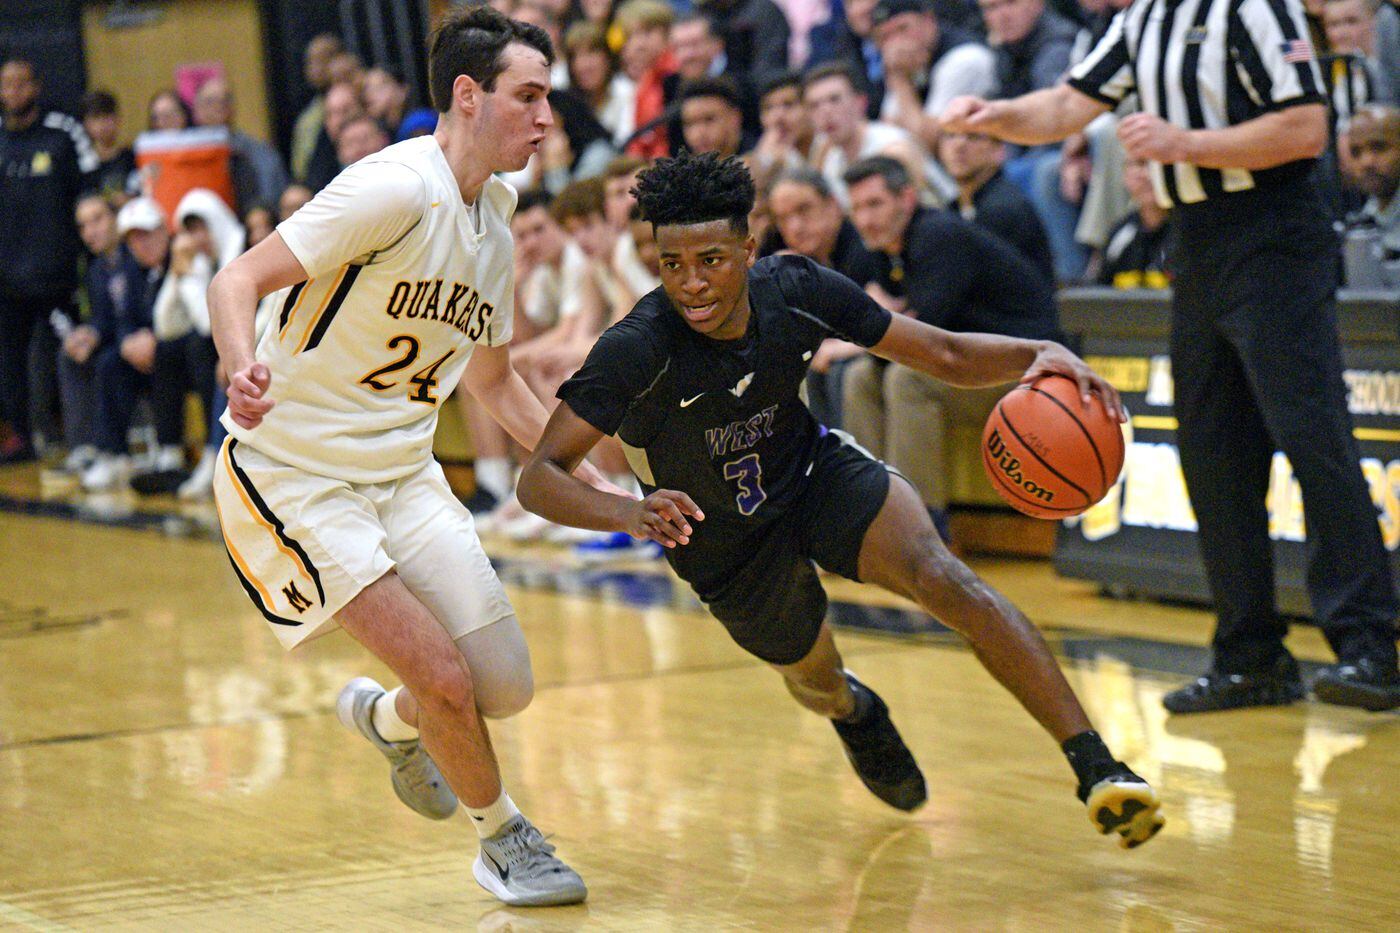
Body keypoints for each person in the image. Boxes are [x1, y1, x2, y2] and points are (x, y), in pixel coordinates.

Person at [515, 150, 1165, 850]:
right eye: (672, 265)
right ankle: (855, 710)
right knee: (815, 680)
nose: (692, 283)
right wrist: (626, 511)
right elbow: (540, 476)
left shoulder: (796, 287)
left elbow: (942, 354)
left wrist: (1034, 354)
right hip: (722, 542)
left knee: (947, 579)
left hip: (811, 473)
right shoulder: (636, 348)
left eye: (711, 260)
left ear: (748, 250)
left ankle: (1098, 766)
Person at [207, 7, 614, 907]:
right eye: (528, 96)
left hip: (403, 473)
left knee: (502, 685)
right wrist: (241, 367)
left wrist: (579, 466)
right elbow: (235, 278)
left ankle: (391, 723)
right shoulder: (391, 190)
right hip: (297, 475)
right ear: (468, 95)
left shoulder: (495, 221)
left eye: (548, 98)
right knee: (442, 676)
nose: (547, 117)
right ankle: (503, 838)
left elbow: (494, 380)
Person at [942, 0, 1400, 712]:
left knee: (1314, 438)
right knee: (1213, 452)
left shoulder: (1253, 8)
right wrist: (993, 116)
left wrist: (1184, 143)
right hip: (1197, 241)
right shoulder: (1141, 20)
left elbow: (1305, 128)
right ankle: (1250, 656)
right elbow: (1065, 105)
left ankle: (1369, 646)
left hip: (1274, 233)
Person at [839, 155, 1061, 539]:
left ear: (907, 199)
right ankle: (870, 515)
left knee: (907, 379)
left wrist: (864, 331)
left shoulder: (938, 236)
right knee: (860, 377)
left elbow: (921, 338)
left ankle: (923, 530)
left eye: (875, 204)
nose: (865, 219)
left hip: (1031, 371)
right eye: (856, 208)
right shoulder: (886, 248)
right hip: (973, 362)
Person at [0, 57, 98, 464]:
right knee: (10, 364)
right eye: (6, 84)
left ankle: (83, 439)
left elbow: (89, 190)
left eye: (21, 84)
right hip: (7, 278)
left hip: (58, 276)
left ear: (36, 87)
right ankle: (19, 439)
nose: (13, 92)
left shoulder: (63, 132)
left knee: (72, 353)